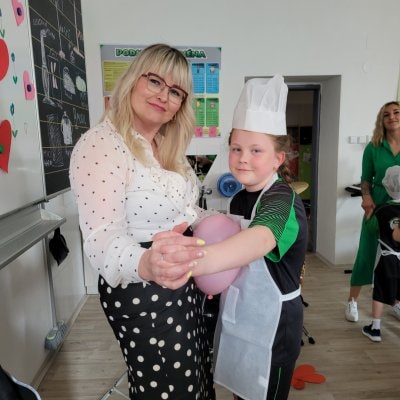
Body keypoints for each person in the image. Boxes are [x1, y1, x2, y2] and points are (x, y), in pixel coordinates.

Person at [69, 43, 216, 400]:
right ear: (133, 79)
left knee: (197, 382)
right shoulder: (102, 144)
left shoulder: (166, 148)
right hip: (143, 288)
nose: (164, 95)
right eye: (155, 81)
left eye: (176, 91)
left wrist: (233, 225)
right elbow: (102, 237)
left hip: (185, 284)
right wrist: (148, 263)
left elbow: (186, 211)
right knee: (169, 391)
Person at [191, 75, 308, 400]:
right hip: (241, 313)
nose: (243, 157)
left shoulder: (282, 198)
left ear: (278, 158)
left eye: (256, 150)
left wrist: (197, 263)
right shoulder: (240, 198)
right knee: (240, 391)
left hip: (274, 324)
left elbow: (261, 239)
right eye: (236, 148)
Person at [345, 101, 400, 322]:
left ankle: (396, 302)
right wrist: (367, 198)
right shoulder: (374, 147)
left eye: (396, 112)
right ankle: (352, 301)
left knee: (397, 257)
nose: (392, 117)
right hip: (378, 207)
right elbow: (365, 180)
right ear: (381, 120)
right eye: (386, 114)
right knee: (367, 254)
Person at [362, 165, 400, 342]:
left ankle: (375, 329)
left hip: (386, 258)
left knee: (379, 290)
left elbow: (371, 230)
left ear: (388, 186)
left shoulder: (382, 210)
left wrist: (368, 214)